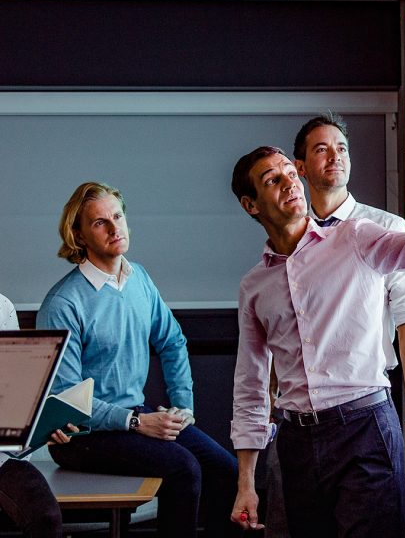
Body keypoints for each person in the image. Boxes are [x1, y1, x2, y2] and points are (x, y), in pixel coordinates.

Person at [229, 102, 405, 538]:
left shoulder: (358, 236)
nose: (289, 182)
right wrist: (246, 483)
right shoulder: (254, 285)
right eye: (273, 179)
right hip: (296, 442)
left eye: (289, 173)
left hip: (364, 430)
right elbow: (250, 387)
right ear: (251, 205)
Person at [36, 182, 239, 538]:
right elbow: (68, 400)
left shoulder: (138, 279)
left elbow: (173, 340)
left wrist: (183, 407)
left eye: (118, 216)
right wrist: (135, 422)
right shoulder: (63, 304)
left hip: (135, 416)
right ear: (79, 236)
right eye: (100, 223)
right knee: (185, 469)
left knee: (226, 470)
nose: (115, 228)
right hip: (82, 438)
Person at [293, 112, 405, 432]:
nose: (335, 156)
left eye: (342, 148)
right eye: (321, 149)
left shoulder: (386, 228)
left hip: (365, 410)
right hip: (299, 415)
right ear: (300, 167)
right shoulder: (291, 239)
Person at [0, 293, 74, 538]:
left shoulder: (2, 307)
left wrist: (41, 427)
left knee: (45, 516)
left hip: (2, 456)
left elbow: (13, 392)